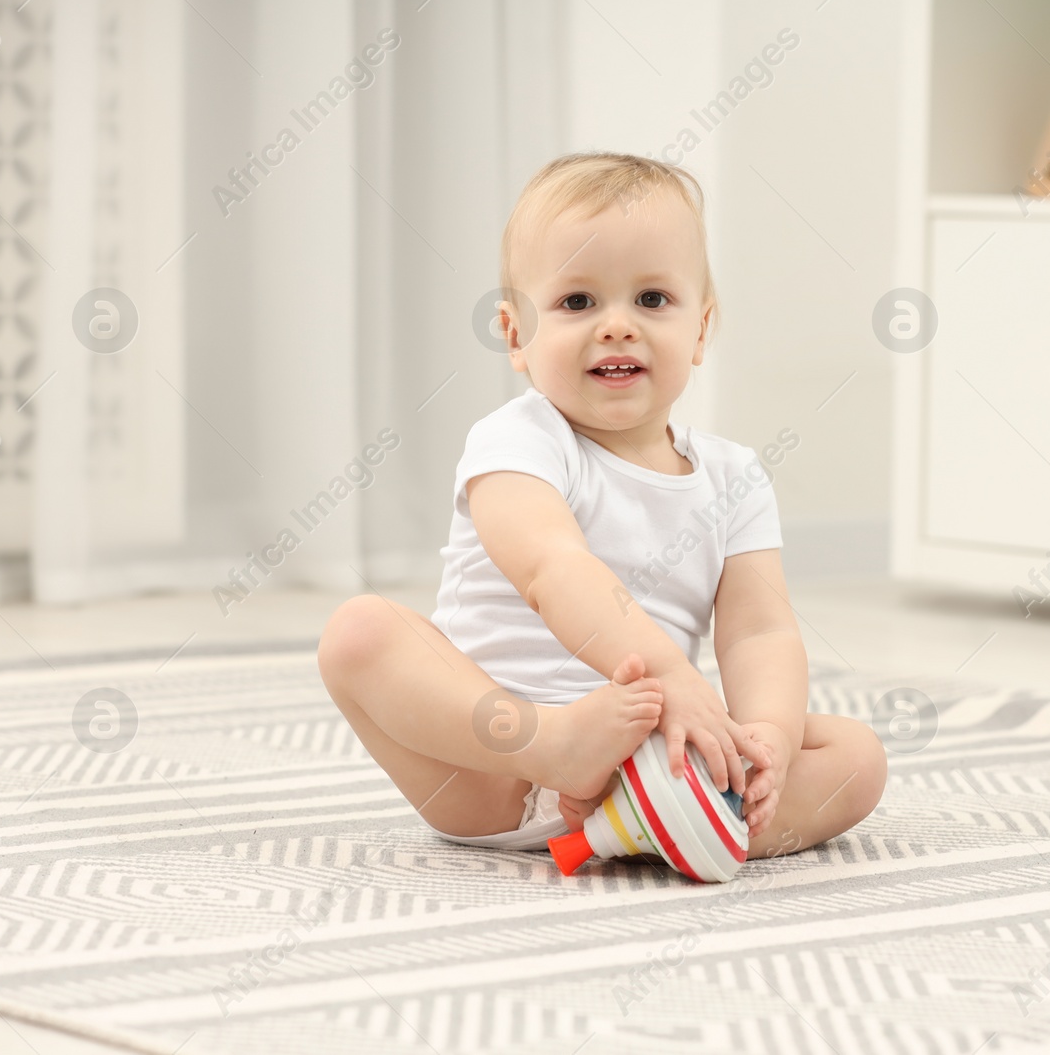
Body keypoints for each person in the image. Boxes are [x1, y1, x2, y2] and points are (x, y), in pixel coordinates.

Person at [317, 152, 886, 861]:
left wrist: (768, 735)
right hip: (494, 765)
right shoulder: (517, 441)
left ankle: (671, 818)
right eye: (578, 302)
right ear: (516, 335)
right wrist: (666, 678)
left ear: (702, 328)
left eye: (652, 299)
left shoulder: (735, 477)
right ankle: (583, 765)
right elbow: (552, 568)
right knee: (359, 632)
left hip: (651, 758)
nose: (617, 325)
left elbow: (759, 632)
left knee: (856, 756)